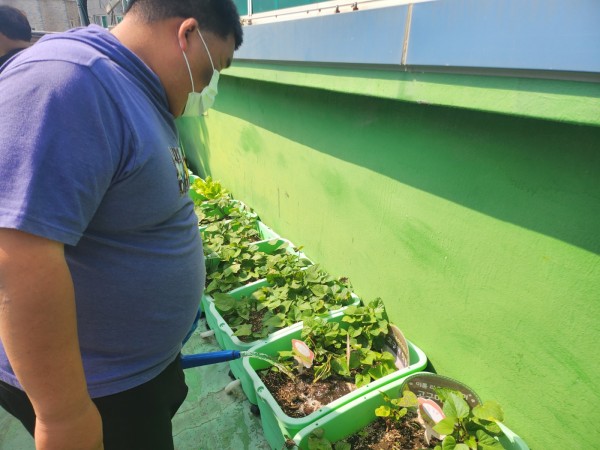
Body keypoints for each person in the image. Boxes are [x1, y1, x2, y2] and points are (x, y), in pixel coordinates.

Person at [0, 0, 243, 449]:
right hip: (96, 392)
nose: (208, 88)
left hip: (130, 379)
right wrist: (64, 415)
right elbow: (18, 254)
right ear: (186, 34)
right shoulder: (68, 83)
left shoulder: (133, 87)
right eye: (213, 71)